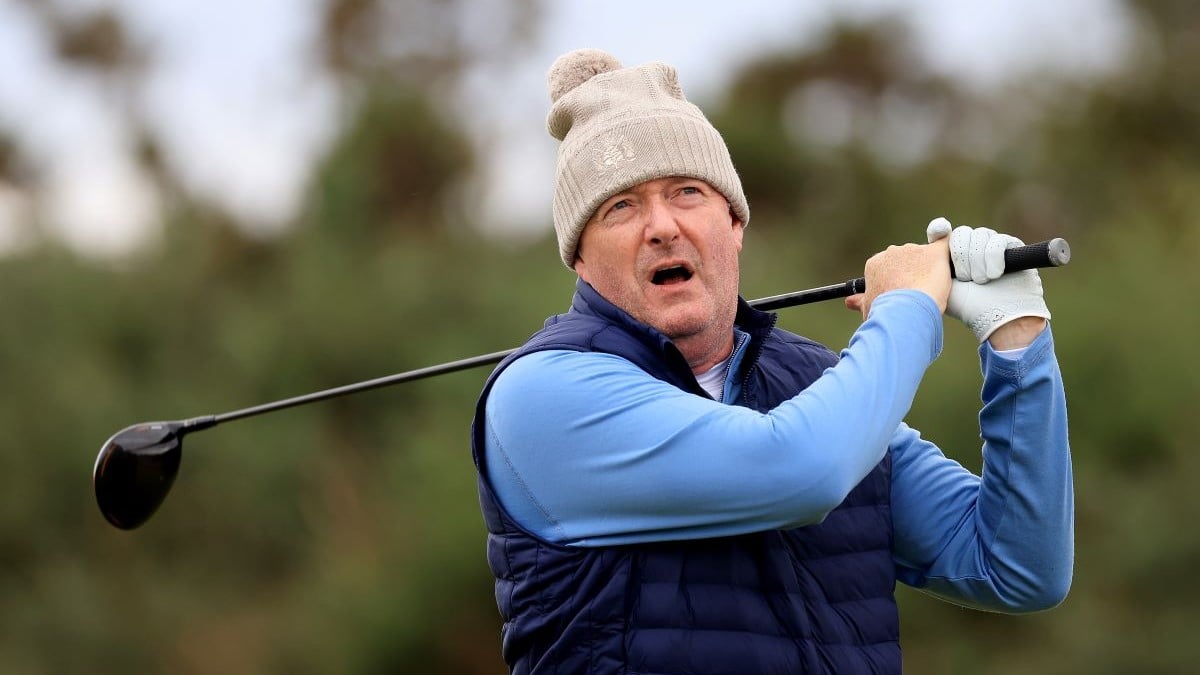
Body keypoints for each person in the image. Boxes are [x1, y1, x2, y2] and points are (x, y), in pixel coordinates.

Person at [470, 48, 1073, 675]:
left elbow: (1017, 567)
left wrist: (1016, 340)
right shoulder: (542, 394)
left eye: (687, 191)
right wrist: (909, 308)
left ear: (734, 223)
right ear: (579, 258)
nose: (661, 226)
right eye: (619, 207)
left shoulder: (816, 386)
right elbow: (801, 469)